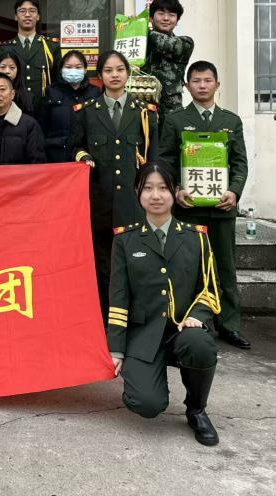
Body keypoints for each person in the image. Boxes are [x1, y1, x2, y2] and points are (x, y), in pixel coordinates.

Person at [108, 161, 222, 446]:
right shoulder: (125, 240)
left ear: (175, 192)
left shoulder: (197, 238)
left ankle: (196, 409)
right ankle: (147, 378)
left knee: (200, 344)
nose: (156, 195)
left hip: (183, 330)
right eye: (148, 188)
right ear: (137, 192)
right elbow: (118, 298)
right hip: (143, 334)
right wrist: (116, 348)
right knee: (146, 404)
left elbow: (209, 288)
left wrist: (198, 315)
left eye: (163, 188)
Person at [160, 60, 251, 350]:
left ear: (217, 85)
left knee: (225, 268)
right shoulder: (175, 120)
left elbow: (239, 163)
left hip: (221, 210)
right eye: (196, 81)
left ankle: (229, 325)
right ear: (187, 86)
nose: (202, 85)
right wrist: (175, 190)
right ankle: (186, 321)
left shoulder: (230, 121)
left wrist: (234, 192)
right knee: (187, 267)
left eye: (207, 80)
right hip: (188, 209)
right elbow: (165, 161)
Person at [70, 49, 158, 316]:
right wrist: (84, 156)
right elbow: (74, 147)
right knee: (103, 263)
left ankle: (135, 316)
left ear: (128, 74)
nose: (114, 75)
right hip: (100, 203)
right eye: (108, 70)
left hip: (133, 203)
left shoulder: (145, 113)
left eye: (120, 69)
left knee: (135, 261)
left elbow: (153, 159)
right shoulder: (86, 112)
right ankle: (105, 318)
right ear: (100, 76)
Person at [0, 0, 61, 111]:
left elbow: (58, 80)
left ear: (38, 16)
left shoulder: (51, 47)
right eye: (22, 11)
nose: (27, 15)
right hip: (13, 107)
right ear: (16, 16)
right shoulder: (3, 49)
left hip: (43, 108)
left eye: (32, 11)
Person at [38, 50, 101, 163]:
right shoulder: (51, 92)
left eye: (78, 67)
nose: (73, 71)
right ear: (61, 70)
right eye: (68, 67)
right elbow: (42, 126)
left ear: (85, 69)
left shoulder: (95, 93)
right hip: (56, 156)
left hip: (87, 158)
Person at [142, 0, 194, 124]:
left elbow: (165, 44)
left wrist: (138, 27)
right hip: (141, 102)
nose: (166, 18)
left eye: (172, 15)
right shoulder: (139, 43)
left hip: (170, 107)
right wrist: (131, 31)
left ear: (177, 21)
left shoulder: (185, 42)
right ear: (151, 18)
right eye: (161, 13)